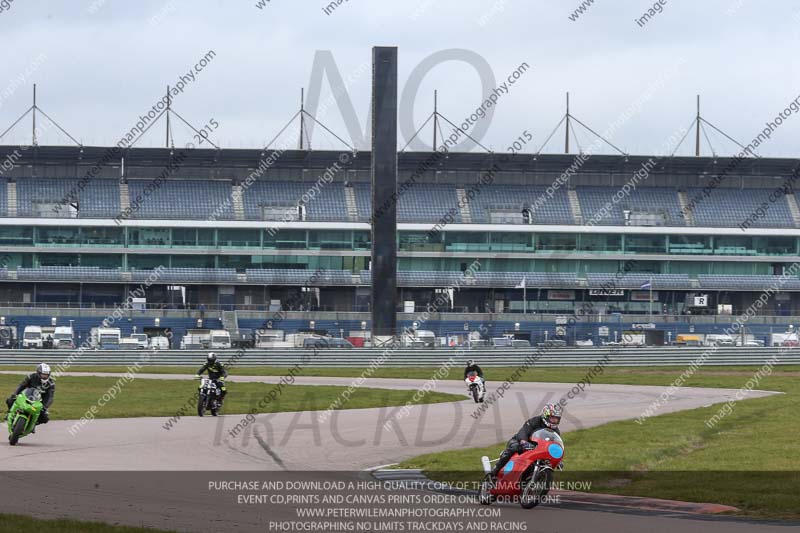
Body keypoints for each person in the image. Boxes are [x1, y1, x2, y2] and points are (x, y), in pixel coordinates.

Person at [490, 403, 562, 478]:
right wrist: (524, 442)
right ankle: (495, 470)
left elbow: (555, 445)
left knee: (545, 462)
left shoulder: (556, 432)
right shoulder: (535, 421)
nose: (554, 421)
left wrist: (559, 460)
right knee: (515, 447)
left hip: (537, 449)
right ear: (546, 416)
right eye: (552, 418)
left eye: (556, 419)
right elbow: (523, 431)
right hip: (520, 442)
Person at [4, 363, 55, 429]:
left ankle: (34, 423)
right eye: (43, 375)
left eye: (46, 375)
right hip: (27, 395)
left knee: (45, 418)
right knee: (10, 400)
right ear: (38, 373)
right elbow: (21, 386)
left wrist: (45, 407)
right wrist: (15, 394)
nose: (44, 377)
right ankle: (9, 413)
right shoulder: (31, 377)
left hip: (40, 401)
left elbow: (50, 397)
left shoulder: (51, 383)